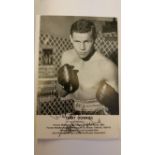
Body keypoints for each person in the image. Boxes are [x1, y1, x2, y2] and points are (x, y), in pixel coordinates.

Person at [56, 19, 119, 115]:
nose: (82, 47)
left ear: (94, 39)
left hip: (98, 115)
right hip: (76, 112)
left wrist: (112, 106)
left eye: (87, 41)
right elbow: (61, 94)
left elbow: (118, 111)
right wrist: (65, 86)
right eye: (77, 41)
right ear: (71, 39)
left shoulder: (107, 67)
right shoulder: (66, 57)